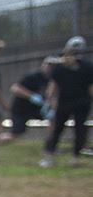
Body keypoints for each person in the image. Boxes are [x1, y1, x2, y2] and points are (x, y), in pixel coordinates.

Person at [40, 35, 93, 168]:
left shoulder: (87, 67)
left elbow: (91, 87)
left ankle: (75, 158)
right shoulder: (60, 67)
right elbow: (53, 86)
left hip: (82, 103)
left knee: (80, 130)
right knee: (58, 128)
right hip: (65, 102)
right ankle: (49, 156)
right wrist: (49, 102)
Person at [2, 57, 57, 143]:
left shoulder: (52, 79)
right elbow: (15, 88)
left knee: (53, 118)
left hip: (36, 108)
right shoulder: (32, 76)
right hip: (21, 108)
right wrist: (31, 96)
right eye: (48, 65)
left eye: (52, 66)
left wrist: (49, 104)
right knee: (17, 132)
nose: (50, 68)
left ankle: (51, 145)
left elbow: (51, 94)